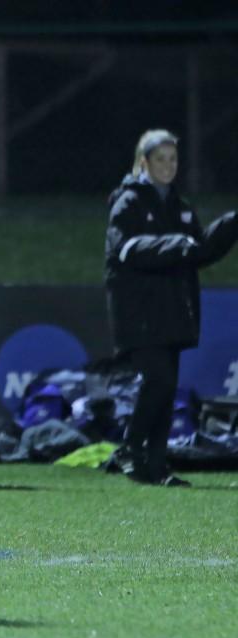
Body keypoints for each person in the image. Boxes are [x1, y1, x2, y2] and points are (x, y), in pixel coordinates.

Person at [105, 129, 237, 487]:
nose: (168, 166)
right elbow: (127, 249)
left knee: (166, 389)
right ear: (143, 162)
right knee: (158, 381)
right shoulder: (128, 202)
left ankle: (157, 464)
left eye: (173, 159)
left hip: (175, 311)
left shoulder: (180, 207)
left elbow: (199, 251)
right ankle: (130, 448)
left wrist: (230, 225)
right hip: (139, 312)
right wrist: (176, 244)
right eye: (160, 159)